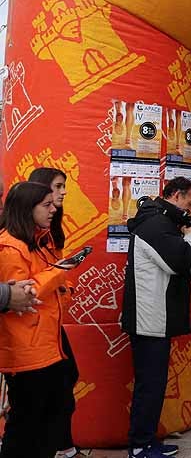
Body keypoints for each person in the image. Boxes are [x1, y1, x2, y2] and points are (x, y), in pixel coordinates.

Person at [122, 176, 191, 458]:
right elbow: (179, 260)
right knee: (150, 385)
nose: (190, 209)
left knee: (153, 384)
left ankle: (146, 440)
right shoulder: (156, 225)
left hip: (155, 317)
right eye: (190, 202)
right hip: (149, 318)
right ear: (177, 196)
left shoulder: (159, 222)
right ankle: (140, 445)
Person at [0, 182, 80, 458]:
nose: (54, 208)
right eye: (46, 204)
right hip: (26, 352)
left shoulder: (37, 241)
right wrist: (57, 273)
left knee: (50, 418)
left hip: (47, 346)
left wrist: (62, 283)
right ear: (26, 207)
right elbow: (22, 295)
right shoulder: (11, 248)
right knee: (26, 426)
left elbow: (46, 287)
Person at [25, 167, 85, 457]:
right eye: (58, 187)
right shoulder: (17, 238)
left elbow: (54, 269)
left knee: (64, 383)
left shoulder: (50, 228)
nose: (62, 194)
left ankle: (64, 446)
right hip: (31, 331)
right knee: (39, 400)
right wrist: (58, 275)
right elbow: (27, 287)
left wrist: (65, 284)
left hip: (51, 322)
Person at [26, 167, 68, 250]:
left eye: (63, 186)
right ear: (42, 186)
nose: (64, 192)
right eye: (58, 186)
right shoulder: (16, 241)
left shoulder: (54, 224)